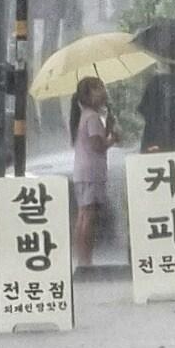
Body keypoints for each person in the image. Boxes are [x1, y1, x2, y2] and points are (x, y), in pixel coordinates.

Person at [71, 76, 118, 268]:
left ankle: (82, 259)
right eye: (99, 88)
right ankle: (85, 259)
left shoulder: (86, 116)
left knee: (83, 214)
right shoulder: (91, 117)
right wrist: (113, 138)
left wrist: (107, 127)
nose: (104, 91)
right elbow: (98, 145)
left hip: (83, 172)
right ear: (88, 94)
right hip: (91, 173)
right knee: (88, 216)